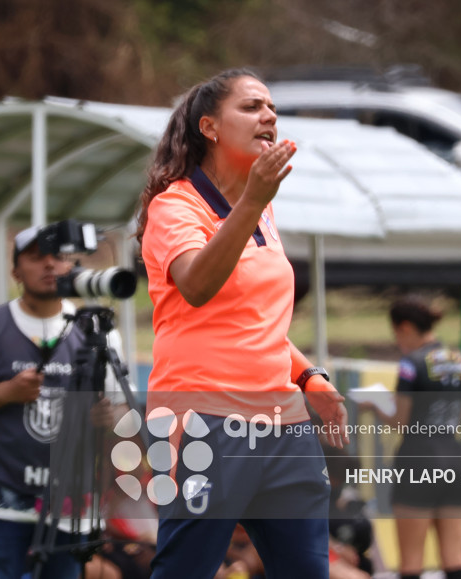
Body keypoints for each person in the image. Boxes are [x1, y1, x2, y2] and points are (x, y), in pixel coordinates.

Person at [136, 67, 349, 579]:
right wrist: (252, 201)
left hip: (283, 425)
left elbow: (256, 322)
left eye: (271, 107)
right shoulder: (175, 206)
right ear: (209, 127)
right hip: (204, 423)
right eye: (252, 107)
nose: (269, 116)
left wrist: (307, 375)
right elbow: (198, 286)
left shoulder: (264, 210)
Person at [0, 224, 126, 579]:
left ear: (71, 266)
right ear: (16, 271)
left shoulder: (97, 331)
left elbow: (120, 411)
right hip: (2, 501)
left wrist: (109, 417)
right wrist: (6, 392)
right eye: (36, 257)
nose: (48, 266)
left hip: (71, 503)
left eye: (57, 257)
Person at [359, 297, 461, 579]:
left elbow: (401, 421)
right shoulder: (459, 359)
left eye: (396, 335)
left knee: (411, 560)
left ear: (405, 327)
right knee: (454, 557)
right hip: (455, 459)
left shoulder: (411, 364)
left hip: (419, 461)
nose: (398, 342)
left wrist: (375, 404)